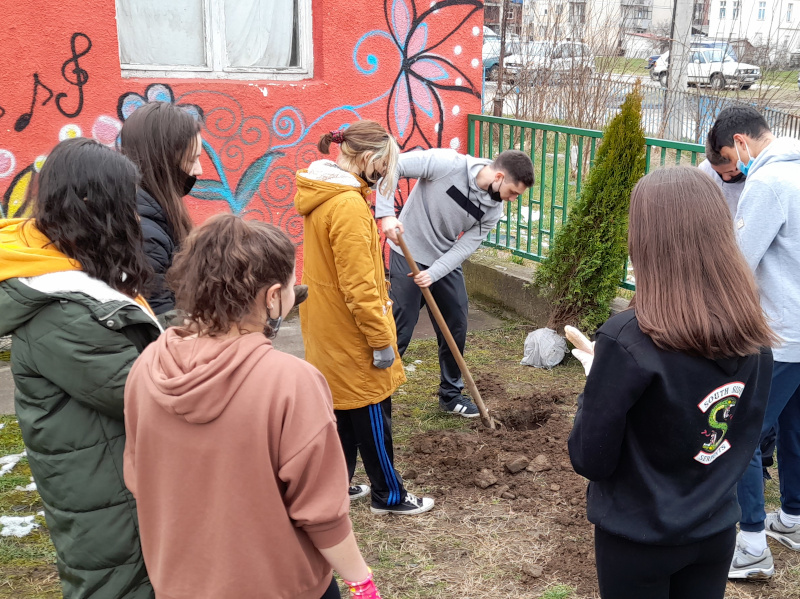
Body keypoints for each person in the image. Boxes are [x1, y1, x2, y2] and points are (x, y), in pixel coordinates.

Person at [123, 214, 382, 599]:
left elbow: (138, 477)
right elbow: (322, 513)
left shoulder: (146, 366)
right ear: (273, 296)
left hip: (178, 584)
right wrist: (362, 582)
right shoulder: (292, 381)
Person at [568, 166, 775, 599]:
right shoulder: (754, 335)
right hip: (715, 529)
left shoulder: (626, 340)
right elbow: (740, 433)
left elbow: (591, 458)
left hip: (638, 539)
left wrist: (596, 385)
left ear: (646, 238)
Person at [0, 138, 159, 598]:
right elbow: (149, 394)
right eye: (127, 205)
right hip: (107, 504)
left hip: (112, 479)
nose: (134, 218)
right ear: (95, 208)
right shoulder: (61, 310)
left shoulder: (67, 269)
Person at [294, 121, 434, 516]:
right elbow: (361, 287)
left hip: (326, 324)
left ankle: (336, 484)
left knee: (341, 410)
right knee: (372, 409)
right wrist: (380, 340)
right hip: (351, 331)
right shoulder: (349, 206)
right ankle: (388, 495)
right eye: (383, 166)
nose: (383, 176)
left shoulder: (324, 193)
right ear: (369, 159)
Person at [707, 106, 800, 579]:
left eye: (728, 158)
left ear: (740, 142)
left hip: (778, 335)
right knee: (795, 429)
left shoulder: (766, 183)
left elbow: (739, 264)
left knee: (740, 434)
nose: (732, 170)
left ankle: (750, 545)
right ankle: (794, 520)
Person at [377, 148, 534, 418]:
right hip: (408, 251)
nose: (511, 200)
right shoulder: (447, 164)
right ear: (498, 176)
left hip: (443, 261)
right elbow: (393, 166)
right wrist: (386, 214)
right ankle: (376, 395)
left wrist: (435, 271)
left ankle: (450, 396)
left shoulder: (493, 211)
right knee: (400, 327)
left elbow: (464, 248)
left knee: (456, 322)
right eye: (513, 192)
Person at [119, 101, 203, 325]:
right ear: (162, 161)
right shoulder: (145, 232)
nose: (199, 170)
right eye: (192, 159)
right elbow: (160, 322)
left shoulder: (147, 212)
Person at [698, 137, 746, 217]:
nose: (725, 178)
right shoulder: (705, 170)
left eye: (731, 172)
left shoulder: (757, 176)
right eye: (719, 173)